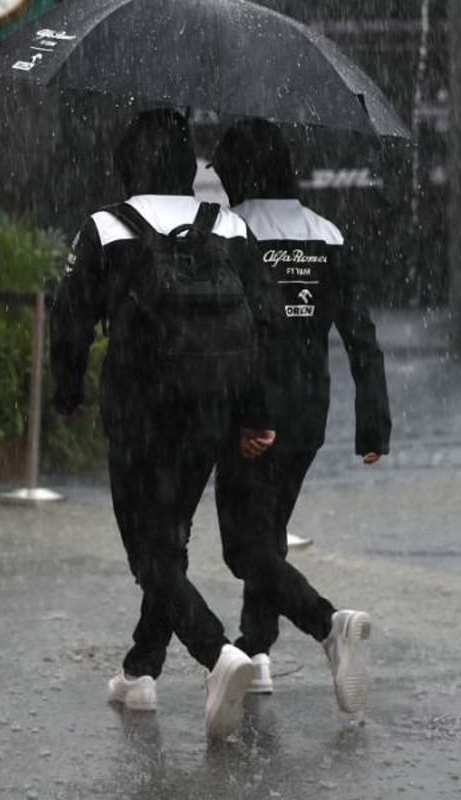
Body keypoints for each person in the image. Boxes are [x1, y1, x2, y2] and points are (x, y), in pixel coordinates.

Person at [50, 108, 278, 741]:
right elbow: (260, 324)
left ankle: (216, 654)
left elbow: (70, 319)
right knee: (169, 538)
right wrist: (255, 413)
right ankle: (140, 671)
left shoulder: (104, 227)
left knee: (148, 550)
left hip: (137, 409)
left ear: (126, 162)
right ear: (187, 166)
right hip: (211, 407)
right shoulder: (228, 225)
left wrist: (66, 391)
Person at [211, 119, 390, 712]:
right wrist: (373, 425)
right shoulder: (327, 233)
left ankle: (327, 625)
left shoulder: (234, 231)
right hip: (309, 413)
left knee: (244, 548)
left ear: (239, 172)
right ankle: (257, 651)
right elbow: (360, 337)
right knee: (268, 535)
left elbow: (228, 325)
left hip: (249, 412)